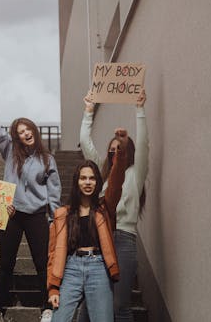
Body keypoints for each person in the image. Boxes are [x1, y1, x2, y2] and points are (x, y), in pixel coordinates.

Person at [0, 90, 62, 322]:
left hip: (37, 216)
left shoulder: (48, 159)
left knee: (41, 262)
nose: (26, 134)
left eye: (28, 130)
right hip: (12, 214)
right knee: (6, 263)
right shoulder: (10, 151)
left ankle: (47, 306)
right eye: (20, 132)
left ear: (34, 131)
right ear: (16, 137)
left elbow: (54, 191)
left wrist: (53, 217)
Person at [78, 90, 148, 322]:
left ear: (128, 152)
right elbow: (86, 145)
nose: (115, 152)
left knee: (119, 305)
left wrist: (139, 110)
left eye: (121, 149)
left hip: (124, 239)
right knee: (88, 304)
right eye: (112, 149)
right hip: (100, 237)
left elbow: (145, 146)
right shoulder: (102, 172)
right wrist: (88, 111)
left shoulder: (135, 174)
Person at [47, 133, 128, 322]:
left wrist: (121, 152)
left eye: (92, 178)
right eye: (83, 178)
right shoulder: (63, 214)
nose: (88, 182)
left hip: (99, 267)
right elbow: (53, 253)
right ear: (77, 182)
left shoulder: (104, 208)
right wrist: (52, 288)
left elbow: (116, 184)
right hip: (71, 268)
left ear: (97, 182)